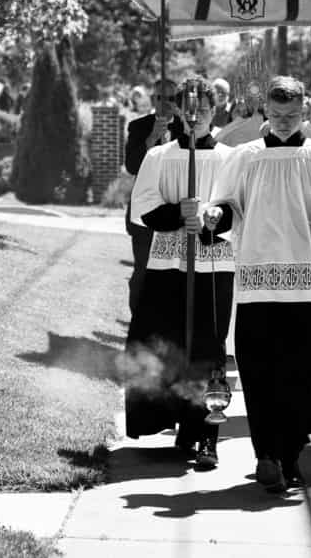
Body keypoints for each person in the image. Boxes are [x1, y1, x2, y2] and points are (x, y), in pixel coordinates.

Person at [203, 76, 311, 493]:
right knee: (259, 373)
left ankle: (291, 454)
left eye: (291, 115)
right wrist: (216, 216)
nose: (282, 122)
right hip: (258, 282)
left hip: (308, 284)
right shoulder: (244, 157)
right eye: (276, 115)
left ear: (305, 111)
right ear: (265, 111)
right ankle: (266, 455)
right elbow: (227, 206)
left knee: (302, 375)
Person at [124, 77, 235, 470]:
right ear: (178, 111)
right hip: (168, 265)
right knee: (164, 342)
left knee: (207, 349)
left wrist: (210, 219)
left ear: (213, 110)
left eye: (201, 109)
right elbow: (142, 207)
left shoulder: (231, 158)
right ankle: (173, 421)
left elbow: (239, 208)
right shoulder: (159, 156)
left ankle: (206, 436)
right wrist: (176, 214)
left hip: (212, 265)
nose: (194, 116)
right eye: (187, 109)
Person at [124, 79, 186, 317]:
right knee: (143, 270)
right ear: (152, 99)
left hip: (175, 208)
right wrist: (151, 139)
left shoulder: (187, 128)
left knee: (173, 273)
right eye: (160, 98)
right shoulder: (138, 127)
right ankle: (138, 322)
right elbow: (132, 166)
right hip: (146, 211)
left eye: (171, 98)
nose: (166, 103)